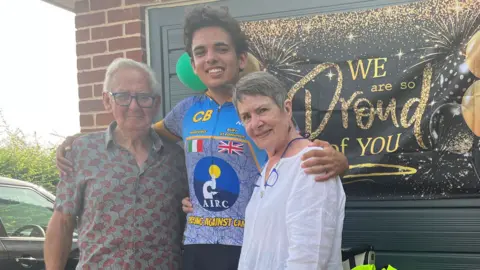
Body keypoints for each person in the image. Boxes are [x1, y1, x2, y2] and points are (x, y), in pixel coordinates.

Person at [55, 6, 349, 270]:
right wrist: (80, 141)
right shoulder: (186, 112)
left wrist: (339, 161)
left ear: (241, 58)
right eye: (200, 52)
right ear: (194, 65)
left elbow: (294, 157)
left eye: (221, 48)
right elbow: (137, 130)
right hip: (197, 243)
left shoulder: (257, 108)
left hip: (249, 244)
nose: (211, 58)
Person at [44, 58, 188, 270]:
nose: (134, 106)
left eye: (143, 97)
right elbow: (62, 223)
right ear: (106, 100)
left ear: (156, 103)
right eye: (122, 96)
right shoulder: (83, 152)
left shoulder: (177, 159)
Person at [233, 71, 345, 269]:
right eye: (246, 116)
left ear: (287, 108)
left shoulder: (312, 163)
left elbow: (308, 260)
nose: (255, 124)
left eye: (262, 110)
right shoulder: (270, 164)